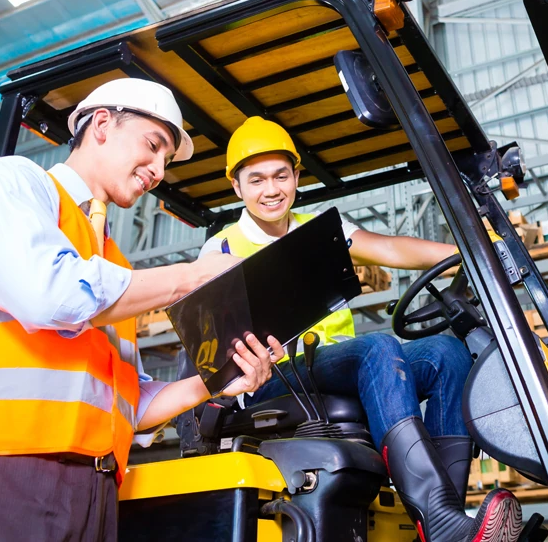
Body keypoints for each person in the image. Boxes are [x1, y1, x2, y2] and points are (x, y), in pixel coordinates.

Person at [0, 80, 284, 542]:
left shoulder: (113, 266)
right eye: (153, 145)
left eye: (165, 160)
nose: (159, 170)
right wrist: (191, 276)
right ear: (101, 124)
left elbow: (128, 403)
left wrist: (216, 381)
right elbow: (48, 295)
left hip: (92, 490)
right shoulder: (11, 183)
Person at [198, 117, 522, 542]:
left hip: (334, 365)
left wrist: (475, 253)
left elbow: (388, 247)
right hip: (270, 377)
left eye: (281, 175)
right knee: (378, 348)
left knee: (446, 355)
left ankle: (446, 519)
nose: (271, 189)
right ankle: (436, 515)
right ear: (237, 187)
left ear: (296, 176)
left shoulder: (319, 230)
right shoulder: (220, 248)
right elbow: (210, 343)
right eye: (256, 180)